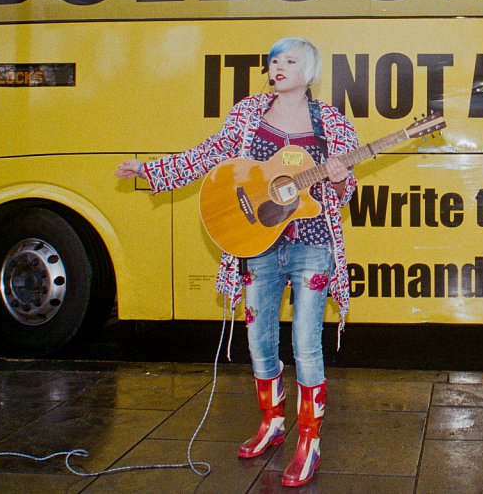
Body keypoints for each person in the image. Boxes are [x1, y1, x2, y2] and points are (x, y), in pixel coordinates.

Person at [115, 37, 358, 487]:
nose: (278, 67)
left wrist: (341, 180)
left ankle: (310, 440)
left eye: (289, 61)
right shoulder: (248, 114)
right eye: (274, 61)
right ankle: (273, 422)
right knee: (259, 339)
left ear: (309, 71)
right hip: (256, 244)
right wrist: (152, 171)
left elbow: (344, 193)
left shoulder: (333, 124)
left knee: (306, 342)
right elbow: (209, 155)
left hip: (312, 243)